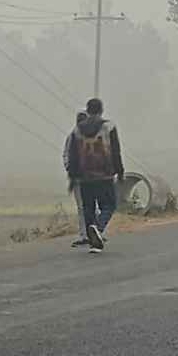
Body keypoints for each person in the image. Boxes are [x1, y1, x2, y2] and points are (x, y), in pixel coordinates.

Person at [65, 98, 124, 253]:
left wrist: (72, 177)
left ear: (88, 110)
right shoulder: (108, 127)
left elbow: (73, 155)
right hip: (104, 174)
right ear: (101, 110)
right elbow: (115, 150)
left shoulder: (77, 130)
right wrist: (120, 171)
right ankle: (97, 229)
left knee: (88, 208)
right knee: (110, 205)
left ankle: (94, 243)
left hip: (84, 176)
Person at [64, 111, 91, 248]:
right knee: (82, 207)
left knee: (90, 206)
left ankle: (92, 233)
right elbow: (67, 156)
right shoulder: (73, 136)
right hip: (80, 178)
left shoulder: (91, 136)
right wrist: (71, 171)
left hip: (91, 178)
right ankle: (85, 235)